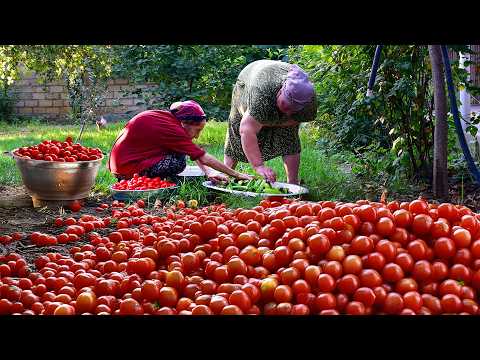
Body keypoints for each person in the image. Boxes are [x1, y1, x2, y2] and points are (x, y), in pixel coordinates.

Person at [108, 100, 251, 183]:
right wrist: (237, 175)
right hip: (126, 171)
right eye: (197, 130)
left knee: (180, 151)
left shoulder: (166, 118)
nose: (197, 136)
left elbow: (193, 150)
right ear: (185, 123)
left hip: (122, 165)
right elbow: (202, 156)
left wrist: (208, 172)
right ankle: (158, 181)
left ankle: (151, 179)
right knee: (179, 161)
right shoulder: (173, 129)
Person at [224, 60, 318, 185]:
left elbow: (297, 120)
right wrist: (259, 166)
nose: (287, 111)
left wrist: (274, 122)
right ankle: (224, 177)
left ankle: (293, 184)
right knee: (236, 130)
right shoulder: (262, 93)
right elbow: (246, 129)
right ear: (280, 91)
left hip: (270, 86)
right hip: (249, 79)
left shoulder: (308, 101)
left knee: (289, 136)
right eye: (285, 105)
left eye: (292, 109)